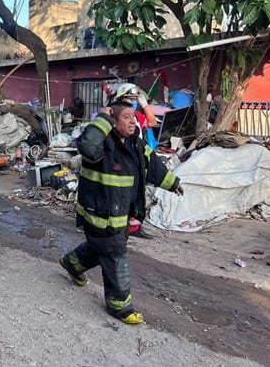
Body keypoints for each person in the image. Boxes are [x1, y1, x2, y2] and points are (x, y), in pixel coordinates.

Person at [59, 100, 183, 324]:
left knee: (102, 248)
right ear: (112, 120)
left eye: (133, 117)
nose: (132, 121)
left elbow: (153, 165)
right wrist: (102, 119)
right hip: (99, 214)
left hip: (121, 214)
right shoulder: (100, 141)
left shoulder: (135, 143)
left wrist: (173, 183)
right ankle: (120, 305)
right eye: (125, 117)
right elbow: (87, 147)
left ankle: (72, 263)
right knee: (115, 253)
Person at [113, 83, 158, 239]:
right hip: (121, 159)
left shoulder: (136, 116)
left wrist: (144, 105)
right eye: (130, 98)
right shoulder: (114, 115)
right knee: (122, 194)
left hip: (136, 157)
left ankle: (134, 226)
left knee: (137, 193)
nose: (133, 101)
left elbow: (152, 122)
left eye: (134, 99)